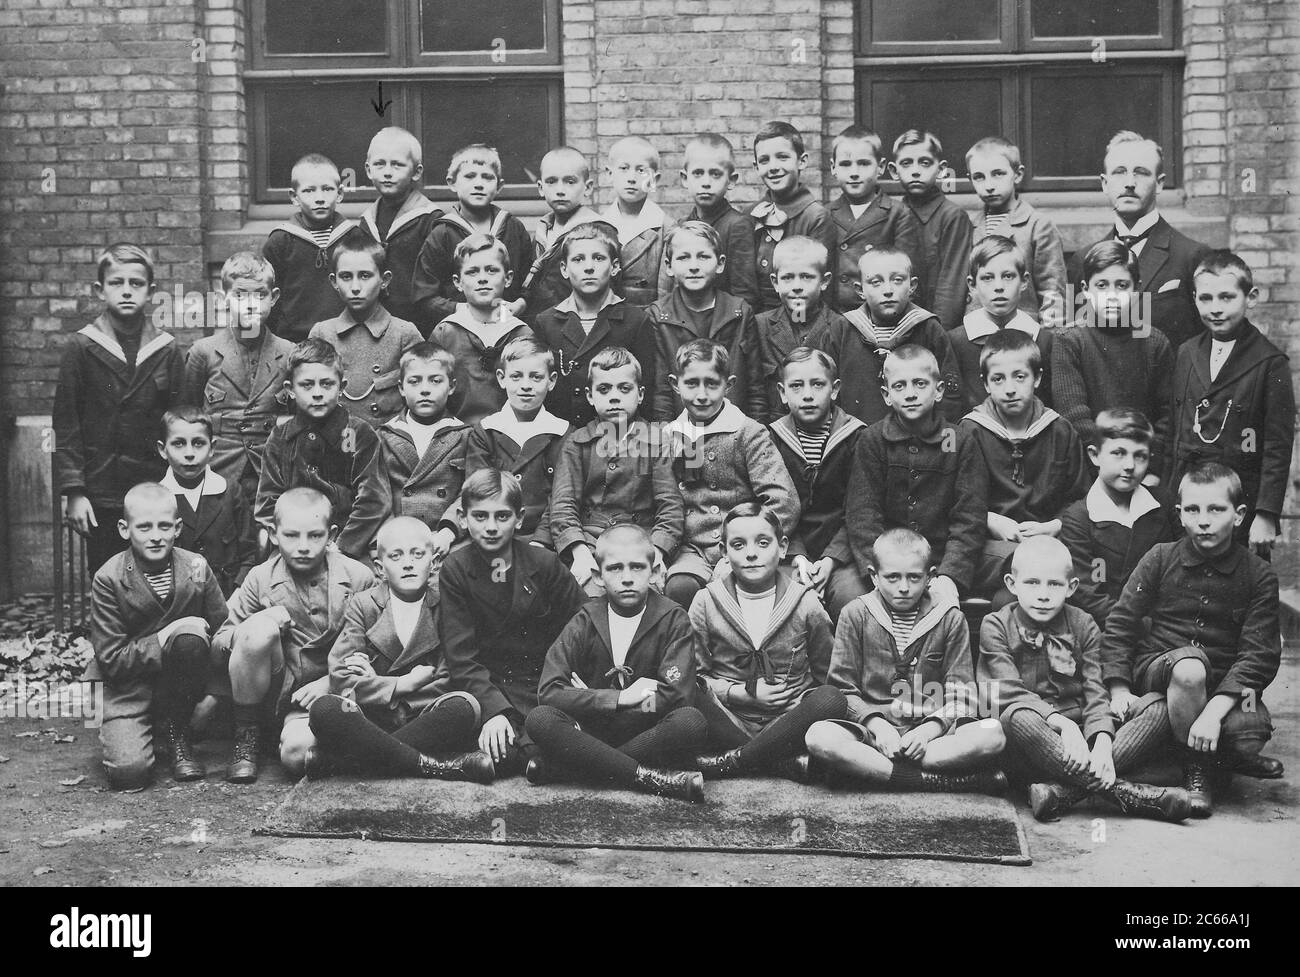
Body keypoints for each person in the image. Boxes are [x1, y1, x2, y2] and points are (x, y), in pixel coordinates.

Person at [1102, 463, 1284, 818]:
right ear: (1180, 514)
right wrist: (1119, 688)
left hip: (1224, 684)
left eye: (1216, 509)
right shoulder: (1160, 557)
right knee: (1188, 668)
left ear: (1239, 515)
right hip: (1162, 667)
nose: (1203, 520)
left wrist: (1213, 714)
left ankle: (1207, 758)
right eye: (1193, 510)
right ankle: (1197, 769)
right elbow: (1121, 623)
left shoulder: (1258, 574)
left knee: (1249, 731)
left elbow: (1259, 654)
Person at [979, 537, 1194, 823]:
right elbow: (1007, 692)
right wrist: (1063, 724)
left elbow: (1096, 689)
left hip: (1083, 737)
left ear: (1071, 587)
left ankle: (1064, 790)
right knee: (1019, 717)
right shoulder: (995, 624)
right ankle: (1129, 794)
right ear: (1011, 584)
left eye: (1054, 584)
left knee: (1157, 706)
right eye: (1032, 582)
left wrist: (1102, 740)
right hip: (1033, 739)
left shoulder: (1084, 623)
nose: (1043, 594)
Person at [805, 529, 1006, 793]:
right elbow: (843, 691)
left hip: (931, 735)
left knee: (992, 733)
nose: (903, 587)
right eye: (892, 577)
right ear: (874, 576)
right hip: (873, 731)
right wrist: (878, 728)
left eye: (914, 577)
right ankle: (924, 779)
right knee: (819, 737)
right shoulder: (855, 614)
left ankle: (874, 772)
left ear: (930, 577)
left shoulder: (950, 618)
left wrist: (927, 731)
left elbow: (963, 695)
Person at [525, 525, 709, 801]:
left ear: (656, 572)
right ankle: (646, 775)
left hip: (645, 731)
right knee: (539, 719)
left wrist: (584, 696)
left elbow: (677, 695)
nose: (626, 578)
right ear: (598, 576)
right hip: (591, 730)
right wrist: (619, 698)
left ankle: (581, 768)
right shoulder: (585, 619)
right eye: (615, 569)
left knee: (690, 721)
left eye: (637, 568)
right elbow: (549, 691)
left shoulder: (673, 618)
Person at [305, 517, 495, 782]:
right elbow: (341, 677)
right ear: (380, 569)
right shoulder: (364, 605)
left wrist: (376, 681)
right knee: (325, 709)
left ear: (435, 562)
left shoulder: (446, 603)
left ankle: (347, 763)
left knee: (465, 706)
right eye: (396, 556)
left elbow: (450, 674)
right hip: (373, 719)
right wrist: (401, 684)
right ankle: (437, 766)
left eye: (417, 555)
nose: (408, 563)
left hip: (425, 715)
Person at [214, 487, 377, 783]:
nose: (303, 546)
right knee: (258, 630)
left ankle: (367, 752)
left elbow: (376, 645)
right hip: (280, 694)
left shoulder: (358, 577)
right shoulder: (261, 578)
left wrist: (331, 680)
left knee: (296, 754)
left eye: (315, 535)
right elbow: (220, 642)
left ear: (332, 535)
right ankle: (248, 733)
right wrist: (261, 620)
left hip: (337, 693)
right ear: (274, 534)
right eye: (291, 535)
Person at [440, 469, 585, 776]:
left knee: (551, 736)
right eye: (480, 516)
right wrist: (494, 711)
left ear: (519, 519)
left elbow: (582, 623)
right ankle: (536, 755)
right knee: (502, 754)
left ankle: (543, 752)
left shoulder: (543, 563)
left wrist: (575, 675)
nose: (491, 527)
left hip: (543, 682)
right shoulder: (456, 569)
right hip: (491, 684)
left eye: (502, 516)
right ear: (463, 519)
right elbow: (461, 657)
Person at [689, 504, 847, 780]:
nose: (751, 553)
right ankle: (775, 761)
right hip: (730, 717)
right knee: (685, 692)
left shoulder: (806, 603)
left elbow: (827, 673)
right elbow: (696, 674)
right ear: (724, 553)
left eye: (763, 543)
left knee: (830, 699)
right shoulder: (706, 601)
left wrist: (802, 705)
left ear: (782, 547)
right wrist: (737, 693)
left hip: (786, 720)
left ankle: (738, 760)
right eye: (738, 545)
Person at [87, 483, 228, 788]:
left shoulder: (196, 566)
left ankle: (177, 730)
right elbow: (111, 659)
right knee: (128, 773)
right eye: (144, 527)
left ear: (178, 528)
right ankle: (136, 725)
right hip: (127, 686)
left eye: (164, 526)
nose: (155, 535)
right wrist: (164, 635)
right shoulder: (108, 578)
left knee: (190, 638)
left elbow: (223, 634)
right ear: (125, 529)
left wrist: (215, 695)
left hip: (184, 682)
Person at [54, 243, 183, 572]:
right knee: (108, 574)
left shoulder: (166, 349)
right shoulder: (81, 347)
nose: (127, 291)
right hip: (102, 489)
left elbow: (180, 420)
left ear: (151, 291)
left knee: (158, 574)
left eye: (136, 284)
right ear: (100, 290)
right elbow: (64, 425)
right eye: (116, 283)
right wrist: (74, 490)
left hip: (154, 486)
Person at [1166, 250, 1295, 557]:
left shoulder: (1269, 362)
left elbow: (1277, 447)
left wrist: (1266, 514)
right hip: (1187, 499)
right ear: (1195, 299)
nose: (1216, 309)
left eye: (1226, 297)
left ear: (1250, 297)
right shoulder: (1187, 352)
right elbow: (1177, 428)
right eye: (1206, 299)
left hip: (1240, 503)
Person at [844, 345, 987, 611]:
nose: (910, 394)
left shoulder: (956, 440)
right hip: (888, 561)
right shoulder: (873, 440)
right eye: (899, 386)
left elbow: (969, 517)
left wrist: (950, 575)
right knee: (850, 596)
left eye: (920, 384)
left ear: (939, 390)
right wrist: (882, 572)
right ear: (886, 395)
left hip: (942, 555)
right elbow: (863, 514)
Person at [662, 339, 799, 609]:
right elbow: (663, 500)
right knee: (678, 587)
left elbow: (783, 501)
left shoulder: (749, 432)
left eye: (712, 384)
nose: (702, 394)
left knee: (734, 589)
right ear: (675, 384)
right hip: (691, 549)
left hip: (743, 544)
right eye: (691, 384)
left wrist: (750, 542)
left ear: (730, 385)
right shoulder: (668, 436)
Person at [961, 329, 1089, 604]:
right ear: (985, 384)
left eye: (1020, 377)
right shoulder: (970, 431)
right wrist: (990, 520)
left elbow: (1081, 497)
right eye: (998, 379)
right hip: (992, 546)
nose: (1009, 388)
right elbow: (955, 501)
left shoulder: (1060, 430)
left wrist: (1056, 525)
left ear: (1038, 378)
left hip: (1050, 540)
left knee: (1012, 596)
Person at [549, 347, 683, 595]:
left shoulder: (655, 441)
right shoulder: (577, 443)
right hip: (591, 542)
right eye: (604, 389)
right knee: (587, 591)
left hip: (641, 542)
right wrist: (580, 553)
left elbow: (670, 506)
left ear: (640, 394)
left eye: (624, 389)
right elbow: (563, 505)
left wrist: (657, 553)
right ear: (589, 396)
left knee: (649, 592)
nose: (614, 397)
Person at [1067, 130, 1211, 348]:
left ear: (1160, 183)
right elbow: (1074, 343)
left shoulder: (1192, 256)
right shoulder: (1082, 260)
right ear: (1105, 184)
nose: (1129, 183)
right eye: (1119, 172)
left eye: (1141, 172)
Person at [255, 339, 387, 562]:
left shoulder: (356, 434)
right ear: (290, 390)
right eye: (307, 385)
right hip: (292, 548)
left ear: (342, 387)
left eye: (327, 384)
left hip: (344, 547)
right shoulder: (280, 438)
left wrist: (343, 546)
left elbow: (372, 499)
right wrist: (288, 542)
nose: (317, 393)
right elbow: (268, 502)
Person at [180, 251, 293, 503]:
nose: (251, 304)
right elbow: (186, 416)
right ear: (224, 299)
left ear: (273, 298)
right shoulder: (204, 352)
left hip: (272, 470)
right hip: (217, 469)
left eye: (260, 295)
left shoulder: (288, 353)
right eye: (240, 295)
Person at [1051, 240, 1174, 460]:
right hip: (1091, 464)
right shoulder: (1069, 340)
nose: (1112, 295)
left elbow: (1166, 416)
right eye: (1101, 286)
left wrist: (1147, 464)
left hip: (1142, 464)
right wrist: (1109, 462)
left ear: (1136, 289)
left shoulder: (1155, 342)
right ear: (1085, 290)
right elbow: (1074, 415)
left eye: (1122, 285)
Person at [767, 346, 865, 622]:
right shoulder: (772, 439)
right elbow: (774, 508)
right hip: (789, 548)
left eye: (818, 384)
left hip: (842, 551)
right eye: (796, 386)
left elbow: (859, 511)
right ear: (783, 393)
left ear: (834, 390)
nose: (807, 394)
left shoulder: (856, 437)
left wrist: (832, 559)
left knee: (852, 600)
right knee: (783, 600)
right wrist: (797, 556)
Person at [812, 247, 960, 425]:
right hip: (855, 439)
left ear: (912, 285)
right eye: (876, 282)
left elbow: (950, 398)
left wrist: (945, 448)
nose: (888, 290)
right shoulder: (841, 330)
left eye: (897, 280)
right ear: (860, 290)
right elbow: (823, 390)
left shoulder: (929, 329)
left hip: (920, 441)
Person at [532, 221, 657, 427]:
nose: (589, 267)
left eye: (598, 258)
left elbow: (647, 390)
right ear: (564, 268)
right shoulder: (547, 322)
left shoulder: (635, 321)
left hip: (617, 436)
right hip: (562, 438)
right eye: (578, 259)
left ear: (615, 266)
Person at [1059, 409, 1175, 628]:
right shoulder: (1080, 518)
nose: (1130, 465)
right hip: (1109, 629)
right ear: (1095, 455)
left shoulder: (1163, 504)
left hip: (1165, 626)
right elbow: (1088, 596)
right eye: (1118, 453)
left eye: (1140, 455)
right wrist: (1138, 626)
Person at [649, 220, 763, 421]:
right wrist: (665, 438)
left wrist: (757, 431)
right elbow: (661, 390)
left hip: (733, 428)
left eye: (703, 257)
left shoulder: (739, 312)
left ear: (720, 264)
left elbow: (755, 386)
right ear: (668, 266)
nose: (694, 266)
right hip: (681, 429)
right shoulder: (659, 316)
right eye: (684, 257)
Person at [411, 143, 532, 331]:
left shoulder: (513, 228)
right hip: (460, 330)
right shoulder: (441, 234)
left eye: (487, 177)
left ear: (499, 186)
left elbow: (530, 280)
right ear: (452, 182)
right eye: (469, 176)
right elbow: (424, 296)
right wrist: (459, 309)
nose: (478, 183)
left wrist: (522, 303)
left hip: (507, 327)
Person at [309, 230, 423, 426]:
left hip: (388, 443)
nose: (355, 287)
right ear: (334, 282)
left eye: (365, 276)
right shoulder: (322, 334)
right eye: (346, 277)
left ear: (384, 280)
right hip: (336, 441)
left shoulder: (404, 334)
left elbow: (421, 396)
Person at [465, 336, 569, 545]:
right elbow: (478, 493)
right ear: (502, 378)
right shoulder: (486, 431)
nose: (526, 386)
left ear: (552, 381)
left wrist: (541, 540)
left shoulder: (562, 433)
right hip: (493, 534)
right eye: (516, 377)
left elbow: (561, 499)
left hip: (545, 538)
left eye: (536, 377)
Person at [428, 233, 534, 426]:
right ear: (457, 282)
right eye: (472, 272)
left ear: (508, 278)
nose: (482, 279)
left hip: (509, 438)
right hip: (456, 438)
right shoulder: (445, 333)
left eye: (492, 270)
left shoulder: (521, 334)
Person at [376, 342, 469, 554]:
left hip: (449, 538)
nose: (425, 389)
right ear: (401, 388)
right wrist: (392, 534)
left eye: (435, 381)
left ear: (452, 386)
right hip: (397, 538)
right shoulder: (385, 435)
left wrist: (448, 532)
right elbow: (377, 495)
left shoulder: (465, 435)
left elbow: (471, 493)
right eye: (414, 381)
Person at [157, 407, 257, 597]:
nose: (189, 453)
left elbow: (249, 555)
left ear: (212, 448)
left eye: (198, 443)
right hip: (176, 601)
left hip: (228, 597)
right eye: (178, 444)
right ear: (163, 450)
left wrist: (238, 592)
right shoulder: (158, 498)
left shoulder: (230, 492)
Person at [949, 236, 1056, 414]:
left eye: (1008, 276)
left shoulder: (1043, 341)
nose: (998, 286)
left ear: (1024, 282)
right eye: (987, 278)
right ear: (972, 285)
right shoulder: (956, 341)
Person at [967, 136, 1067, 325]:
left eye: (998, 174)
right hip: (977, 330)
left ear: (1018, 174)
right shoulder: (969, 225)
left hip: (1023, 333)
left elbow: (1052, 292)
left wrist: (1050, 343)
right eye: (979, 177)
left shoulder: (1037, 225)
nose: (989, 185)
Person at [827, 125, 922, 312]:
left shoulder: (898, 213)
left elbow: (905, 276)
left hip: (882, 314)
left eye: (863, 163)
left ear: (881, 167)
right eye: (845, 164)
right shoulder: (825, 214)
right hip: (837, 315)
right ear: (833, 168)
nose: (854, 172)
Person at [754, 236, 849, 423]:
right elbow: (756, 391)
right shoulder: (760, 326)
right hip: (775, 431)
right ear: (775, 282)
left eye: (806, 277)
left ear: (824, 281)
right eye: (788, 278)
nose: (797, 287)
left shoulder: (841, 327)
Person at [262, 153, 357, 340]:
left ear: (340, 194)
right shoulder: (281, 240)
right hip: (295, 339)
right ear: (294, 197)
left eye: (328, 189)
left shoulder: (353, 236)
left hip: (346, 335)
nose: (319, 198)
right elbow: (267, 295)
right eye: (309, 191)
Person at [357, 126, 443, 326]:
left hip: (419, 321)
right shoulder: (367, 221)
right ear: (368, 170)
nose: (387, 172)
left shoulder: (430, 219)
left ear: (416, 172)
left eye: (397, 165)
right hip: (374, 320)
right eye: (379, 164)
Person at [748, 121, 836, 312]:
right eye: (764, 160)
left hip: (799, 318)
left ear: (801, 161)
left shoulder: (815, 217)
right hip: (756, 321)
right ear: (756, 167)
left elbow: (820, 290)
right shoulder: (751, 214)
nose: (773, 167)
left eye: (782, 157)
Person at [891, 129, 973, 332]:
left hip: (936, 328)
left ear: (942, 169)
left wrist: (937, 333)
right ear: (894, 171)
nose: (916, 171)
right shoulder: (891, 214)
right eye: (906, 163)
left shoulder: (952, 217)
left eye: (925, 163)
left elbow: (951, 286)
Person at [679, 132, 759, 308]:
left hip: (724, 323)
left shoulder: (738, 225)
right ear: (685, 178)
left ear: (731, 180)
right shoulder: (682, 226)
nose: (706, 182)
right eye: (698, 173)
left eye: (715, 174)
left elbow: (744, 293)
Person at [524, 146, 605, 319]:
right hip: (541, 322)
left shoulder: (598, 231)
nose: (560, 190)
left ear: (588, 188)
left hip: (579, 323)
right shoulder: (543, 230)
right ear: (540, 187)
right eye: (551, 181)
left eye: (570, 181)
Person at [599, 136, 674, 308]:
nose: (632, 178)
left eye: (641, 171)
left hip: (647, 319)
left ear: (654, 179)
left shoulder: (666, 227)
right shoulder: (598, 226)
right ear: (610, 174)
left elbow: (666, 291)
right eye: (624, 168)